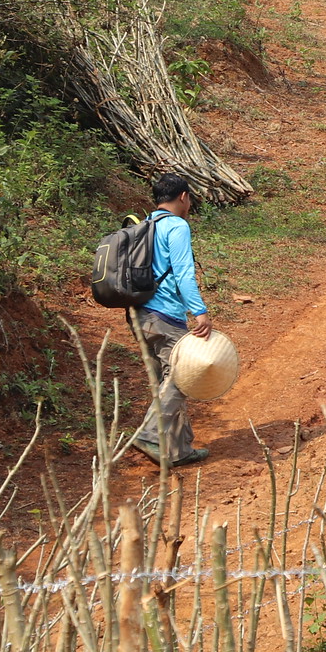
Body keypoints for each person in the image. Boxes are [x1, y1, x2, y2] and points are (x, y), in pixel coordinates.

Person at [132, 174, 213, 468]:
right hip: (165, 315)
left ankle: (179, 450)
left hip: (139, 315)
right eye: (189, 198)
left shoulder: (144, 225)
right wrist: (199, 310)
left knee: (166, 381)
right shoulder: (176, 226)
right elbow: (183, 274)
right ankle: (149, 434)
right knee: (181, 377)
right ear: (183, 197)